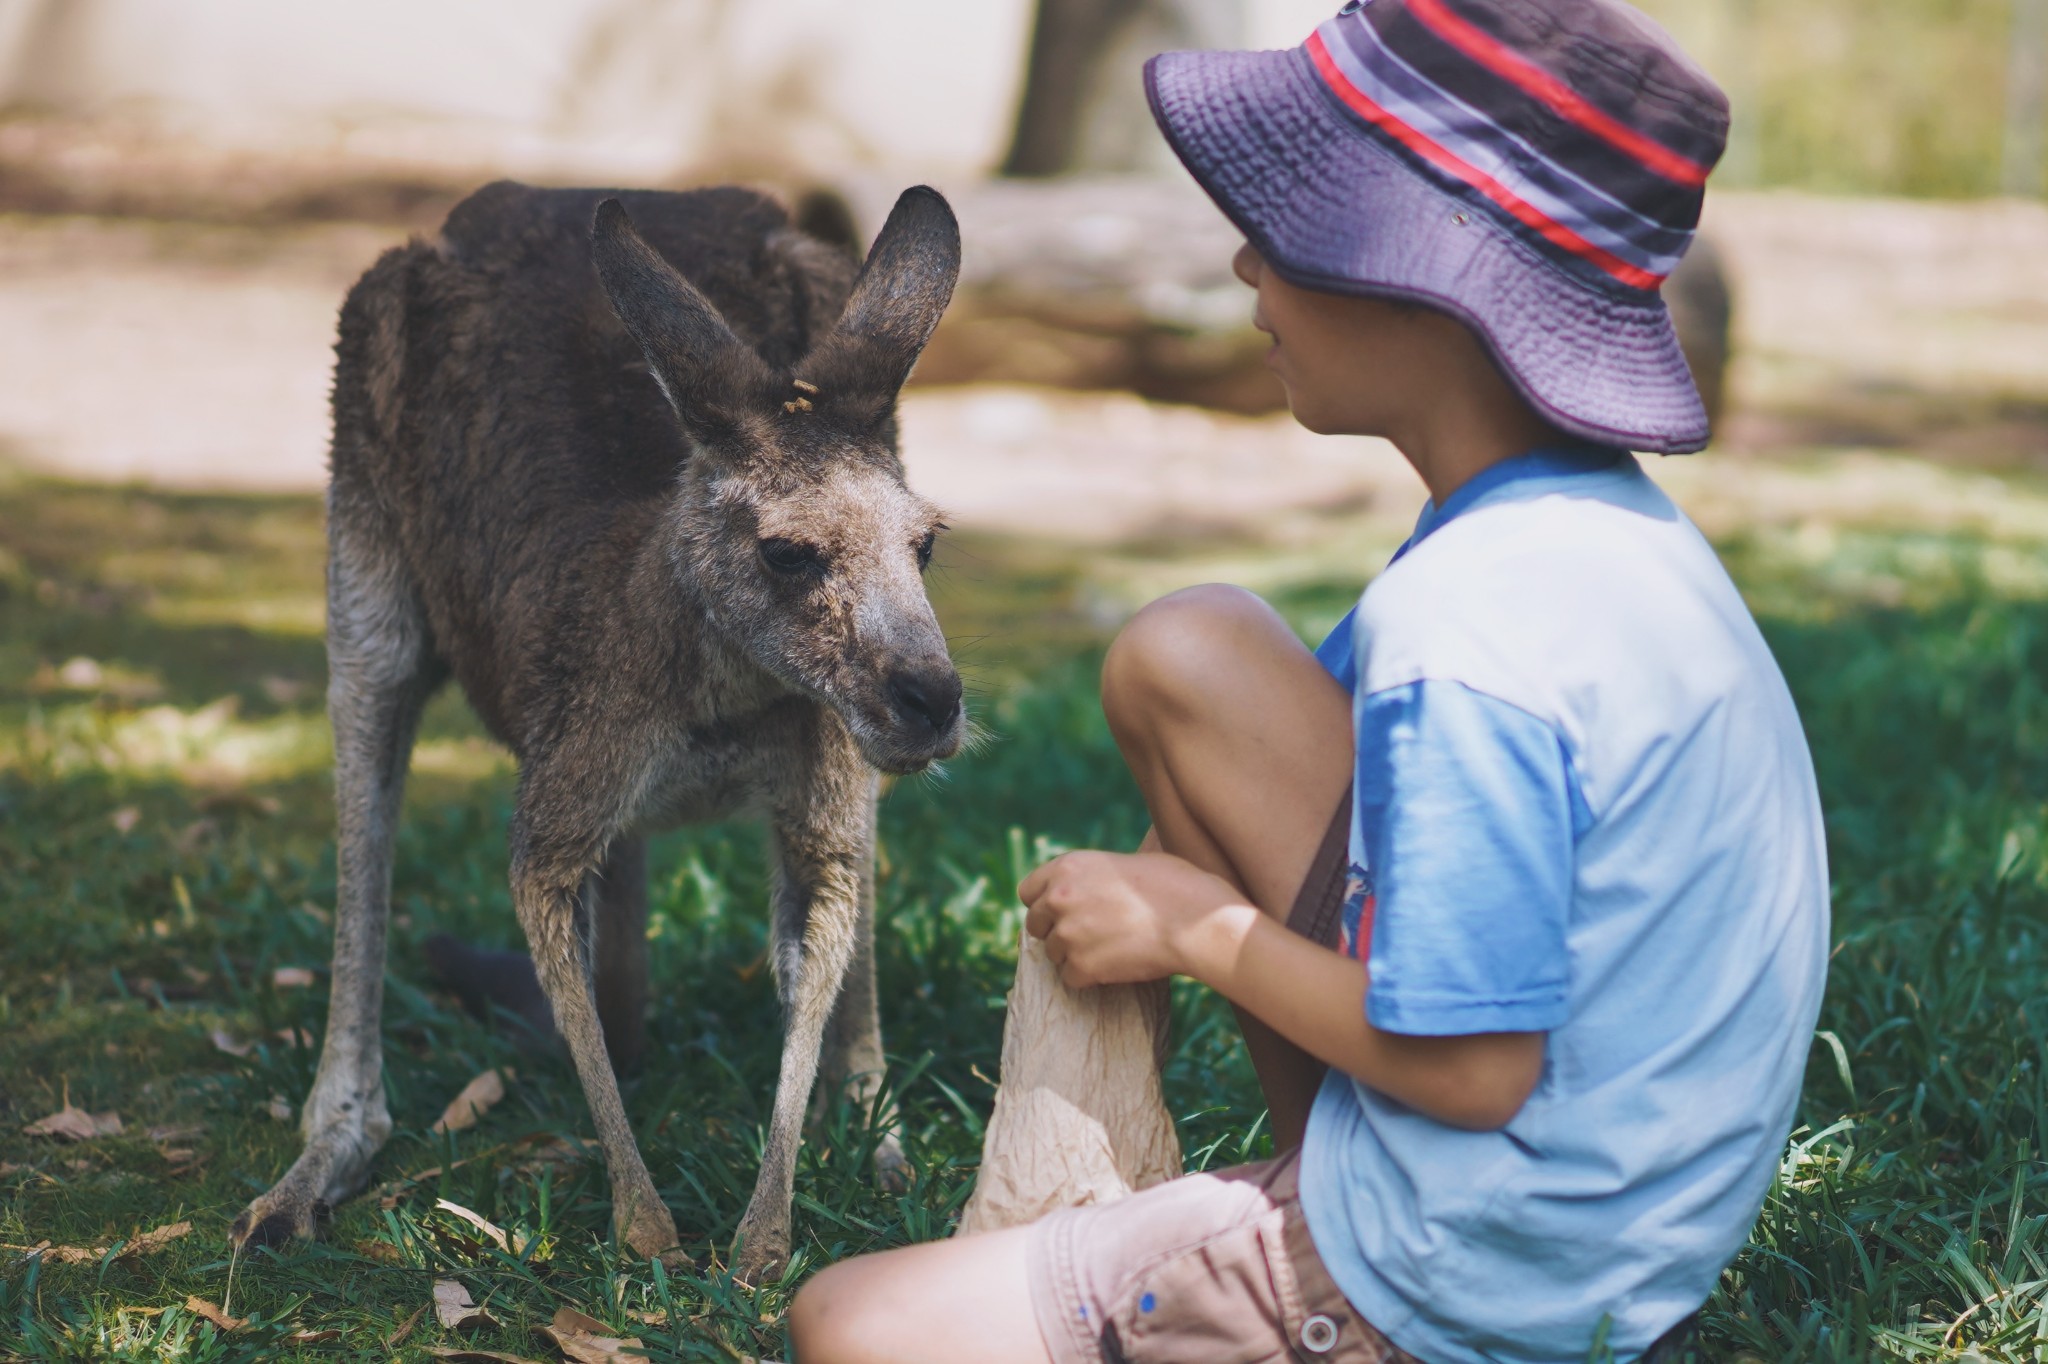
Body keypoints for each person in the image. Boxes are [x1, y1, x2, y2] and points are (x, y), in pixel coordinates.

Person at [789, 0, 1829, 1359]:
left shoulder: (1476, 634)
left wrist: (1188, 932)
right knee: (1191, 651)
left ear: (1420, 280)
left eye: (1284, 233)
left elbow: (1471, 1069)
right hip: (1618, 1232)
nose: (1239, 265)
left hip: (1479, 1273)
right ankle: (1311, 1195)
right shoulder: (1585, 539)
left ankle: (1323, 1289)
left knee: (851, 1326)